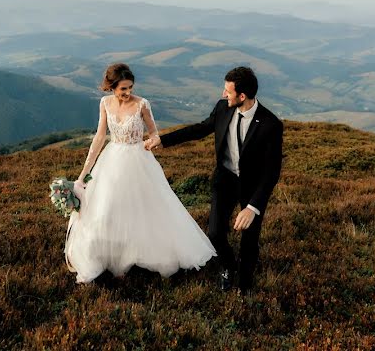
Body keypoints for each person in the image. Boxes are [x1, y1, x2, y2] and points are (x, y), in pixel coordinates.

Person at [65, 63, 216, 283]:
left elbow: (154, 132)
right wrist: (84, 172)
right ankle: (111, 255)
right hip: (112, 160)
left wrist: (151, 141)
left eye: (130, 88)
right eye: (123, 89)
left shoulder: (142, 105)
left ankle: (144, 255)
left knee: (146, 207)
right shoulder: (104, 103)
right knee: (107, 207)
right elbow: (99, 137)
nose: (127, 93)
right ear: (112, 87)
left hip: (138, 159)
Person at [146, 66, 283, 293]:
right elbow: (200, 129)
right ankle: (227, 266)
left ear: (242, 96)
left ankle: (245, 285)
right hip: (225, 179)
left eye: (227, 91)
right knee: (215, 233)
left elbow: (272, 172)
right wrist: (163, 140)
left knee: (250, 239)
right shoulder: (223, 108)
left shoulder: (270, 124)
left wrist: (252, 207)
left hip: (252, 187)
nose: (222, 95)